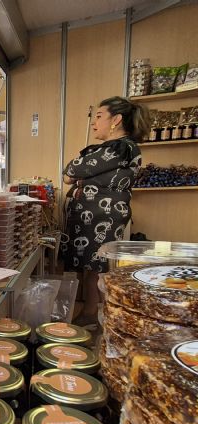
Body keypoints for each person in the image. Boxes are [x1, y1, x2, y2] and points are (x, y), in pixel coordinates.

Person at [62, 96, 151, 325]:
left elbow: (72, 169)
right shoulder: (107, 150)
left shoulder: (121, 147)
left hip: (103, 217)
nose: (94, 122)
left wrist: (78, 176)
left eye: (99, 116)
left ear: (117, 120)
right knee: (91, 268)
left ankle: (111, 320)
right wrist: (78, 176)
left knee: (101, 269)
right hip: (92, 216)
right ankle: (91, 313)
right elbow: (69, 175)